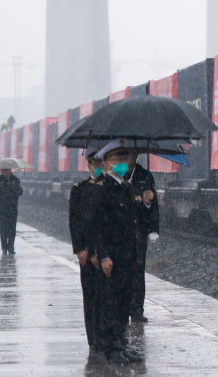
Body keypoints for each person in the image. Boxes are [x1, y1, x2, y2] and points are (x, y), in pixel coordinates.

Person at [89, 141, 143, 365]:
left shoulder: (125, 187)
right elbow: (98, 226)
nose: (122, 163)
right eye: (116, 160)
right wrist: (103, 255)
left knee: (123, 302)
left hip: (127, 255)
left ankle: (121, 343)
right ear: (105, 164)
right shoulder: (102, 189)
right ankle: (111, 348)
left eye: (124, 159)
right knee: (110, 302)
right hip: (112, 255)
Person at [69, 150, 102, 354]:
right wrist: (79, 248)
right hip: (88, 250)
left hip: (108, 250)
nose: (98, 167)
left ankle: (110, 336)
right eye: (94, 163)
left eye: (101, 163)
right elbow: (75, 221)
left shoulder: (111, 188)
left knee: (110, 296)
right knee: (91, 295)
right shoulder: (79, 190)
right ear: (89, 165)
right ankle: (93, 338)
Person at [125, 151, 159, 323]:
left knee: (138, 271)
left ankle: (137, 309)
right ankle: (123, 307)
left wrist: (154, 228)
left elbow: (154, 205)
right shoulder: (115, 175)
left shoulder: (145, 176)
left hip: (139, 230)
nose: (129, 159)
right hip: (121, 231)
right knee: (123, 271)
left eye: (132, 155)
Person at [0, 166, 23, 255]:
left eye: (6, 170)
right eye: (2, 170)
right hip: (1, 209)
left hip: (12, 208)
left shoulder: (15, 180)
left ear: (10, 170)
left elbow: (20, 192)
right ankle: (4, 248)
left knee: (12, 229)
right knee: (3, 229)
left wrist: (14, 185)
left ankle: (11, 247)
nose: (4, 172)